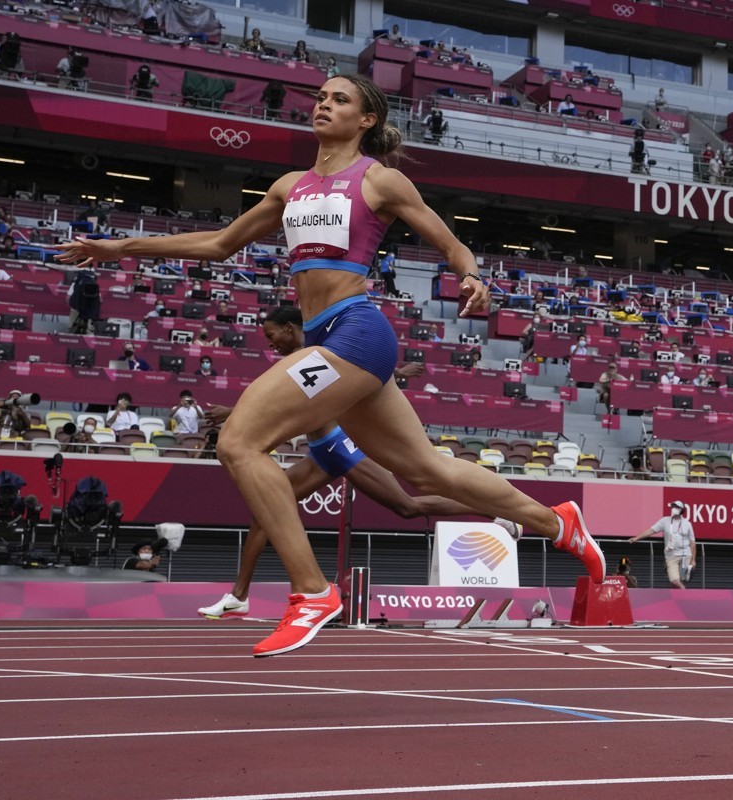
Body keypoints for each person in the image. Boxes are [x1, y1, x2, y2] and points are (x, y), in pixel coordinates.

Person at [57, 72, 604, 657]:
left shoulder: (378, 180)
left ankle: (312, 592)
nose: (323, 104)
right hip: (329, 337)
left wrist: (470, 276)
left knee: (240, 442)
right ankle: (557, 522)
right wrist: (122, 248)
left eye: (339, 99)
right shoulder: (288, 187)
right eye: (320, 96)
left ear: (365, 120)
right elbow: (219, 244)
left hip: (356, 331)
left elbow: (450, 242)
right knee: (425, 472)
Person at [197, 306, 522, 619]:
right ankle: (238, 597)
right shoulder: (300, 360)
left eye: (272, 335)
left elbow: (344, 381)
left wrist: (231, 414)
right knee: (263, 513)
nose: (269, 343)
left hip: (342, 446)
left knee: (407, 506)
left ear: (289, 329)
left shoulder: (316, 353)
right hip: (321, 453)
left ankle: (495, 511)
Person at [628, 500, 696, 589]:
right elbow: (651, 530)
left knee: (681, 580)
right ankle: (686, 595)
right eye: (673, 507)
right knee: (674, 580)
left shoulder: (687, 524)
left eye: (677, 507)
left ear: (682, 510)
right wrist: (637, 538)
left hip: (685, 555)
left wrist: (693, 560)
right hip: (671, 556)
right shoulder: (665, 521)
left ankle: (678, 599)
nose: (673, 509)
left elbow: (692, 543)